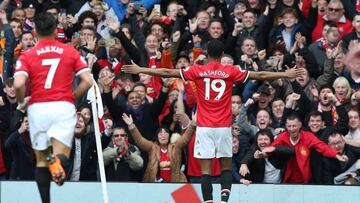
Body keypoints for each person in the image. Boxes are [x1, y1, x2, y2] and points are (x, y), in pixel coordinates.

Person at [121, 39, 306, 203]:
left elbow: (167, 72)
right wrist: (285, 75)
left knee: (206, 170)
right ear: (223, 54)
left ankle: (208, 201)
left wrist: (140, 70)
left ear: (206, 54)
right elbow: (261, 76)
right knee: (225, 165)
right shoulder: (231, 70)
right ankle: (224, 200)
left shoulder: (198, 70)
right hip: (224, 126)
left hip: (204, 127)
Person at [13, 13, 92, 203]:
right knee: (60, 154)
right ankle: (56, 162)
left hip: (38, 107)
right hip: (62, 107)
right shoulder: (70, 51)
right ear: (56, 30)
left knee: (41, 159)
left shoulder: (27, 55)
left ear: (34, 31)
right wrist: (71, 97)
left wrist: (21, 100)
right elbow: (88, 81)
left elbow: (17, 84)